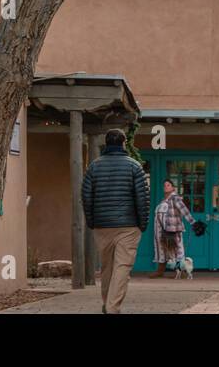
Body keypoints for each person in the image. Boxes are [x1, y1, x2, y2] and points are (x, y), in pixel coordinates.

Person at [80, 128, 149, 313]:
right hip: (128, 226)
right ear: (123, 143)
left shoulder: (94, 166)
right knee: (122, 268)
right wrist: (142, 224)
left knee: (107, 268)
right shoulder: (134, 166)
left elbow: (86, 196)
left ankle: (107, 303)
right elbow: (142, 198)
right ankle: (112, 308)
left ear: (107, 144)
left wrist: (92, 222)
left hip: (102, 226)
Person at [150, 178, 196, 277]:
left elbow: (184, 210)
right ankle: (160, 271)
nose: (166, 187)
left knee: (177, 250)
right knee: (162, 250)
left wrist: (193, 222)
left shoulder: (175, 198)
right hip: (161, 231)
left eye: (168, 185)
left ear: (173, 188)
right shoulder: (164, 200)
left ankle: (182, 273)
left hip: (172, 230)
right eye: (164, 185)